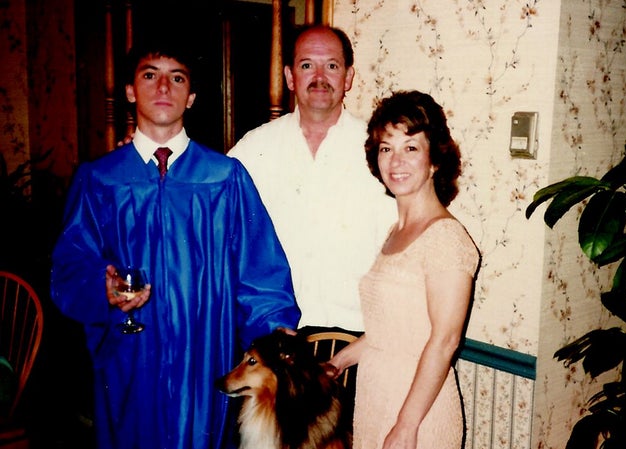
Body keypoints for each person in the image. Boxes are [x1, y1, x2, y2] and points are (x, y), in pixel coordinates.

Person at [50, 38, 300, 449]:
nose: (163, 87)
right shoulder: (100, 180)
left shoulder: (225, 179)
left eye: (177, 78)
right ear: (130, 91)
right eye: (150, 75)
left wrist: (276, 337)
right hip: (129, 356)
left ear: (192, 96)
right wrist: (103, 287)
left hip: (206, 358)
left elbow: (261, 272)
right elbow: (70, 266)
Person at [327, 90, 480, 449]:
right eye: (386, 148)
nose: (395, 160)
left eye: (410, 147)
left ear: (434, 160)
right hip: (376, 398)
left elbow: (445, 342)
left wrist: (406, 426)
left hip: (418, 412)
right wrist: (338, 363)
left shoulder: (448, 237)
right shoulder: (394, 232)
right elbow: (390, 333)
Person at [227, 24, 396, 338]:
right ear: (290, 77)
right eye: (307, 65)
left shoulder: (382, 149)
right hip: (276, 338)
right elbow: (208, 212)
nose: (320, 77)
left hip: (359, 337)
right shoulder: (253, 150)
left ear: (348, 78)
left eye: (331, 66)